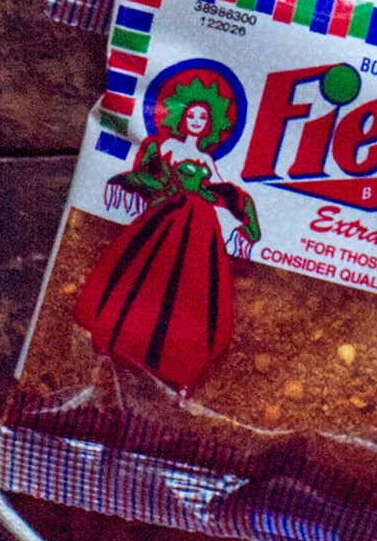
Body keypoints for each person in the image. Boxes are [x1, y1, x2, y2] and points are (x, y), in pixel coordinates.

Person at [73, 83, 261, 391]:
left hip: (201, 228)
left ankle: (176, 362)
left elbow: (224, 192)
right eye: (191, 114)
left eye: (203, 117)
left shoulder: (208, 161)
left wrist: (246, 225)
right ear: (183, 118)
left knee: (192, 289)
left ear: (210, 124)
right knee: (145, 272)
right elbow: (149, 173)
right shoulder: (167, 146)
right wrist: (132, 182)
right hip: (166, 217)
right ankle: (124, 340)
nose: (197, 120)